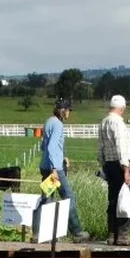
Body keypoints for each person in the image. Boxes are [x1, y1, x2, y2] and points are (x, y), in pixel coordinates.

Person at [39, 98, 89, 242]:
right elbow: (52, 146)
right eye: (68, 110)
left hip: (45, 165)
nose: (69, 113)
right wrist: (55, 167)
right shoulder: (58, 125)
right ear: (63, 110)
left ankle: (42, 234)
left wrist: (62, 156)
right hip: (55, 169)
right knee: (68, 197)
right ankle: (77, 232)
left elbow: (44, 146)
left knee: (47, 198)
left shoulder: (48, 121)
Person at [97, 94, 130, 245]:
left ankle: (112, 235)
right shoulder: (118, 123)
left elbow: (100, 147)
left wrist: (104, 166)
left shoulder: (103, 122)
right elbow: (121, 147)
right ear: (122, 108)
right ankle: (122, 235)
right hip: (121, 165)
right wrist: (126, 169)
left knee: (114, 200)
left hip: (109, 164)